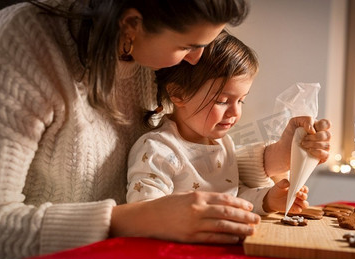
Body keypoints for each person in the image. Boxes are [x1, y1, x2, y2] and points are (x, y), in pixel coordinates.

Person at [0, 0, 331, 259]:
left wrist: (277, 156)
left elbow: (190, 154)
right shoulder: (25, 44)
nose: (197, 59)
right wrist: (139, 218)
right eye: (188, 45)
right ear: (131, 23)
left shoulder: (151, 57)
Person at [127, 30, 310, 216]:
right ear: (178, 94)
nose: (235, 112)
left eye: (241, 101)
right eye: (222, 101)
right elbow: (144, 212)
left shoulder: (224, 144)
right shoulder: (158, 150)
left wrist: (268, 199)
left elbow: (231, 197)